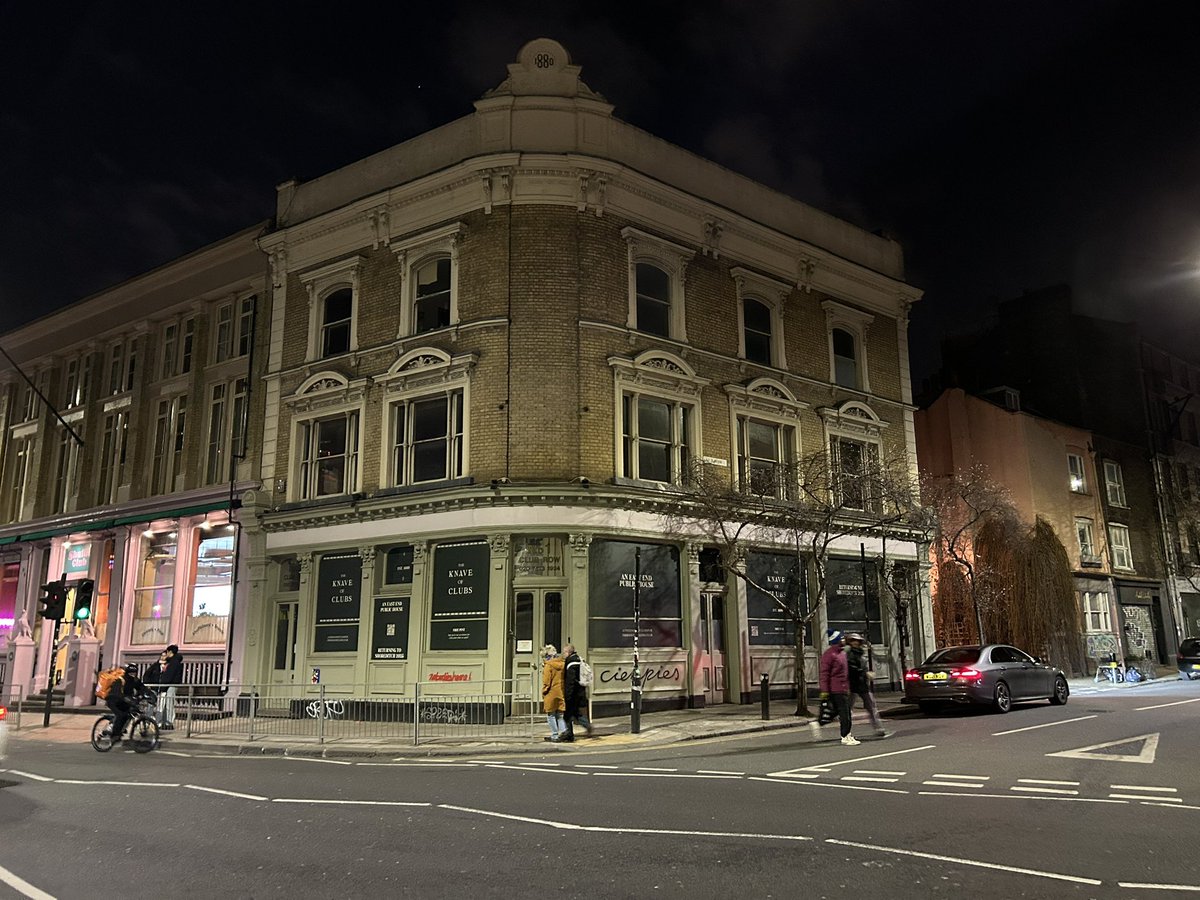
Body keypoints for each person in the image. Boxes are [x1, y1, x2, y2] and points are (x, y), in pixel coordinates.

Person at [819, 629, 859, 746]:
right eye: (841, 638)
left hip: (843, 688)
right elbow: (824, 674)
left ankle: (821, 723)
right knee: (845, 713)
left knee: (840, 711)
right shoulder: (829, 655)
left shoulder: (841, 653)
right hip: (836, 689)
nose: (843, 640)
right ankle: (845, 735)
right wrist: (825, 691)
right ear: (836, 640)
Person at [846, 633, 889, 738]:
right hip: (853, 685)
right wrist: (864, 673)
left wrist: (865, 674)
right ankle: (846, 731)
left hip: (862, 684)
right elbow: (851, 668)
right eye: (853, 641)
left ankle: (879, 728)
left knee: (871, 706)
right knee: (847, 709)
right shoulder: (849, 654)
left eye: (857, 641)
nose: (855, 642)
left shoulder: (860, 653)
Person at [105, 663, 146, 744]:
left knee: (130, 713)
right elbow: (117, 693)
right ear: (127, 672)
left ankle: (121, 729)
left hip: (125, 702)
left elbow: (142, 688)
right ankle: (114, 735)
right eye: (131, 673)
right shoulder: (120, 680)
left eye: (134, 673)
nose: (132, 674)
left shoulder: (135, 680)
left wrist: (151, 696)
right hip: (113, 700)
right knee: (121, 715)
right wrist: (126, 699)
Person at [561, 643, 594, 740]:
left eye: (564, 652)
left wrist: (567, 695)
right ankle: (586, 726)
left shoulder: (571, 663)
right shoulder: (579, 659)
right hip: (579, 692)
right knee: (575, 713)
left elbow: (570, 681)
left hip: (573, 694)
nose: (563, 654)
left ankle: (570, 734)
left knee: (567, 715)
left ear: (568, 652)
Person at [540, 644, 567, 742]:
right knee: (560, 714)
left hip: (551, 692)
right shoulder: (563, 664)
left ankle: (555, 735)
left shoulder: (549, 665)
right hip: (560, 691)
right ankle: (564, 732)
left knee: (551, 715)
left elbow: (547, 681)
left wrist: (544, 691)